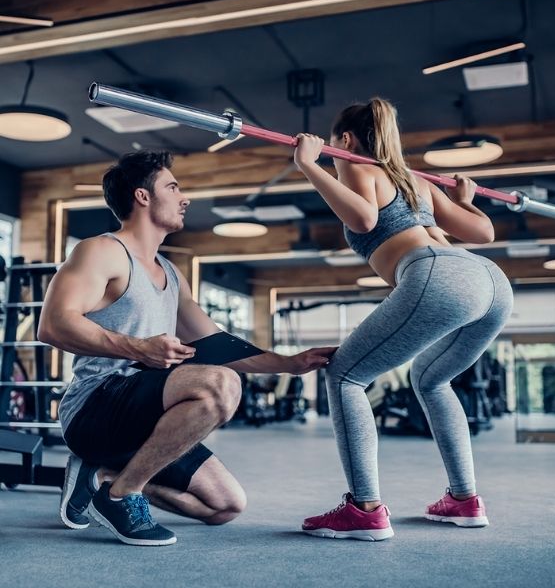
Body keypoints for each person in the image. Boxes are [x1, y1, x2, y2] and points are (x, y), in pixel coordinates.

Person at [39, 151, 335, 546]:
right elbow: (53, 323)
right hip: (95, 407)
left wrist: (288, 364)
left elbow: (213, 343)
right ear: (143, 196)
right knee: (222, 386)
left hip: (145, 411)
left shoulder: (172, 274)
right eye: (173, 187)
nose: (185, 198)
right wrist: (139, 347)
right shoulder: (102, 251)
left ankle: (103, 478)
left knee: (225, 506)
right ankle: (121, 496)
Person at [293, 98, 513, 541]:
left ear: (347, 140)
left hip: (436, 273)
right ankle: (464, 500)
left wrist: (310, 165)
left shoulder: (353, 164)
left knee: (344, 376)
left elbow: (363, 216)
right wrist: (463, 202)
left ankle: (364, 508)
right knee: (431, 380)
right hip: (490, 282)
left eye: (335, 146)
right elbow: (483, 232)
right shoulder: (415, 181)